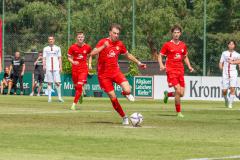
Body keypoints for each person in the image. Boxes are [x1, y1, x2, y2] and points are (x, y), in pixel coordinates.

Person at [90, 23, 146, 125]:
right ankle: (124, 117)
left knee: (128, 89)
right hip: (103, 75)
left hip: (115, 72)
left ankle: (125, 94)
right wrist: (103, 46)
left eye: (118, 34)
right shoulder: (103, 41)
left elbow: (127, 55)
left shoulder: (120, 44)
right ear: (110, 33)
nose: (116, 35)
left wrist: (138, 62)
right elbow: (92, 53)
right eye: (114, 33)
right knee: (112, 96)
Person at [158, 25, 194, 118]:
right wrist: (161, 65)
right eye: (175, 32)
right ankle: (178, 112)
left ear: (180, 34)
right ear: (172, 34)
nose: (176, 34)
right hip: (171, 70)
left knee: (181, 94)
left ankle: (168, 94)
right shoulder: (167, 45)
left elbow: (185, 57)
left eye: (178, 32)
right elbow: (160, 55)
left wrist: (189, 66)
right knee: (178, 90)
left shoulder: (183, 45)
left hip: (180, 71)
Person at [67, 31, 92, 110]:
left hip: (84, 69)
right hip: (75, 69)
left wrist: (90, 64)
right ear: (76, 38)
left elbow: (90, 55)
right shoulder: (72, 47)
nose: (80, 38)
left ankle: (74, 104)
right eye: (79, 37)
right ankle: (80, 94)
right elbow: (69, 57)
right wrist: (73, 62)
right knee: (77, 87)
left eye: (81, 37)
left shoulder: (87, 47)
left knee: (80, 85)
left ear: (83, 38)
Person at [43, 35, 64, 102]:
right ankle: (49, 98)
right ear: (48, 40)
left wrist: (60, 67)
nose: (51, 40)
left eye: (52, 39)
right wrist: (44, 65)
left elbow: (59, 58)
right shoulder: (45, 48)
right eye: (49, 39)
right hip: (48, 67)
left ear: (54, 40)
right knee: (49, 83)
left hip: (56, 67)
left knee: (57, 82)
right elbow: (44, 58)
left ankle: (59, 97)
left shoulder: (58, 48)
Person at [220, 40, 240, 108]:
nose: (231, 45)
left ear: (234, 46)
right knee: (224, 90)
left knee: (232, 88)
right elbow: (221, 62)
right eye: (230, 44)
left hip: (233, 73)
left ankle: (230, 104)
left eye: (232, 44)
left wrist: (235, 63)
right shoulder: (224, 53)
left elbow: (239, 61)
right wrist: (221, 67)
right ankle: (226, 99)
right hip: (225, 73)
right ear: (228, 45)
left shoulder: (237, 54)